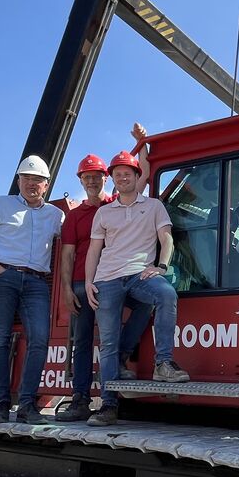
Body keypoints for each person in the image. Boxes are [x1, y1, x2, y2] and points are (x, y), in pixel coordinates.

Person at [55, 127, 154, 422]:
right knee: (84, 340)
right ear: (81, 181)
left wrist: (141, 143)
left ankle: (122, 357)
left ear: (105, 178)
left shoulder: (116, 204)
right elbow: (68, 254)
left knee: (144, 305)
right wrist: (66, 289)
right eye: (87, 177)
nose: (92, 180)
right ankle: (81, 400)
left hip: (114, 277)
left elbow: (144, 174)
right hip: (82, 285)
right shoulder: (74, 216)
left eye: (97, 176)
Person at [84, 150, 189, 426]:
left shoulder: (153, 206)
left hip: (139, 274)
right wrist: (88, 281)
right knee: (107, 343)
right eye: (117, 174)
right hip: (107, 279)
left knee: (166, 294)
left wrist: (162, 267)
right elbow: (94, 250)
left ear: (136, 176)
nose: (122, 178)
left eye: (127, 173)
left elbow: (166, 240)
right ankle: (108, 406)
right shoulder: (104, 213)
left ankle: (163, 363)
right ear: (113, 179)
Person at [0, 155, 65, 425]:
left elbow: (75, 240)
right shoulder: (0, 204)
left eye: (37, 180)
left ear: (46, 185)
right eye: (26, 178)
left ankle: (26, 406)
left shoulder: (56, 216)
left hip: (36, 282)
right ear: (18, 180)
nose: (31, 183)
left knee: (40, 339)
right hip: (2, 277)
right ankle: (0, 406)